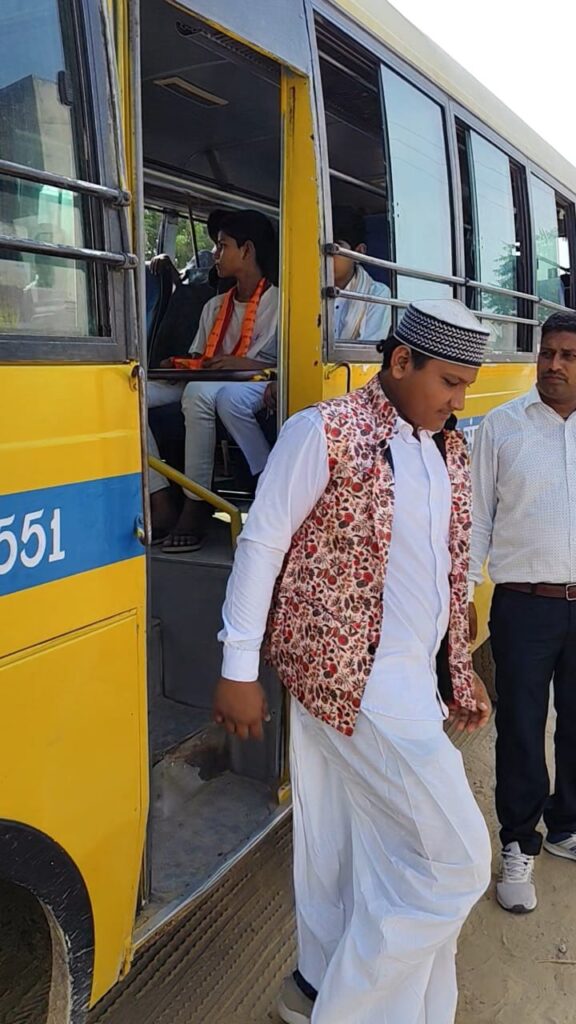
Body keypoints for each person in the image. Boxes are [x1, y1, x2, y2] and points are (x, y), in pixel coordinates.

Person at [214, 299, 493, 1024]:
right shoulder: (323, 430)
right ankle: (348, 1004)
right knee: (456, 864)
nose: (460, 401)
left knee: (363, 849)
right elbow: (263, 541)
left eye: (466, 386)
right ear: (400, 362)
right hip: (353, 683)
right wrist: (238, 668)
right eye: (450, 382)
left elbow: (442, 564)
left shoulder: (445, 446)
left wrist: (457, 658)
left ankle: (322, 988)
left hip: (409, 680)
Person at [469, 310, 576, 914]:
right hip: (523, 607)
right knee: (520, 728)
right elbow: (476, 519)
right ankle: (518, 843)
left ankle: (567, 827)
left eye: (568, 356)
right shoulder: (502, 427)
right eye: (548, 353)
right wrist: (463, 594)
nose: (554, 365)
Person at [150, 209, 278, 551]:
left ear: (247, 251)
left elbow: (289, 364)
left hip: (256, 382)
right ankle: (159, 497)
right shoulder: (215, 305)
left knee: (199, 393)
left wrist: (244, 362)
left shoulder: (281, 302)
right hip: (209, 379)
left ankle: (196, 503)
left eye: (222, 246)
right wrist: (180, 364)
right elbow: (200, 356)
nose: (215, 254)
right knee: (132, 395)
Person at [332, 206, 391, 341]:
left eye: (334, 249)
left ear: (358, 252)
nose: (323, 257)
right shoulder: (306, 290)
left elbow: (370, 349)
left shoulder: (377, 294)